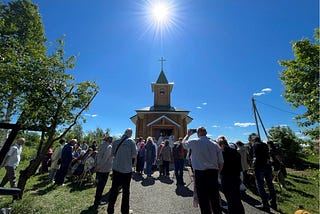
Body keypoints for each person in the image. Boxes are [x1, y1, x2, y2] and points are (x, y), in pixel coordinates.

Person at [182, 127, 224, 214]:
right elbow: (221, 162)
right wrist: (218, 172)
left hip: (200, 173)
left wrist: (188, 135)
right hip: (213, 173)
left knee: (203, 199)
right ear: (206, 132)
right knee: (214, 198)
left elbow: (184, 144)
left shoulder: (195, 142)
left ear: (198, 133)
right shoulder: (215, 144)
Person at [107, 128, 137, 214]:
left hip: (116, 169)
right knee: (126, 191)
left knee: (114, 189)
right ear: (130, 133)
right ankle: (125, 211)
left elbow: (112, 155)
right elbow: (134, 155)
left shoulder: (116, 142)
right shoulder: (131, 142)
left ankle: (110, 210)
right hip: (126, 170)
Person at [217, 136, 245, 214]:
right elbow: (239, 166)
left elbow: (220, 166)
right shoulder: (236, 152)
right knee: (237, 198)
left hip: (226, 177)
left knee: (230, 198)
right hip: (236, 176)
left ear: (221, 144)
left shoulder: (222, 153)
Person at [252, 136, 277, 212]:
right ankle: (273, 203)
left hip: (259, 166)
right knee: (270, 185)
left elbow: (253, 155)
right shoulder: (265, 145)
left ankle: (265, 205)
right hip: (267, 166)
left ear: (254, 140)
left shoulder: (255, 145)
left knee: (260, 185)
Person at [92, 136, 113, 208]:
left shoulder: (101, 145)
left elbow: (96, 156)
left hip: (99, 167)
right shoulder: (109, 147)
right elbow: (105, 158)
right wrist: (99, 167)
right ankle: (97, 201)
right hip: (104, 169)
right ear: (110, 140)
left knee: (98, 185)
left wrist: (95, 165)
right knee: (101, 186)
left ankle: (96, 200)